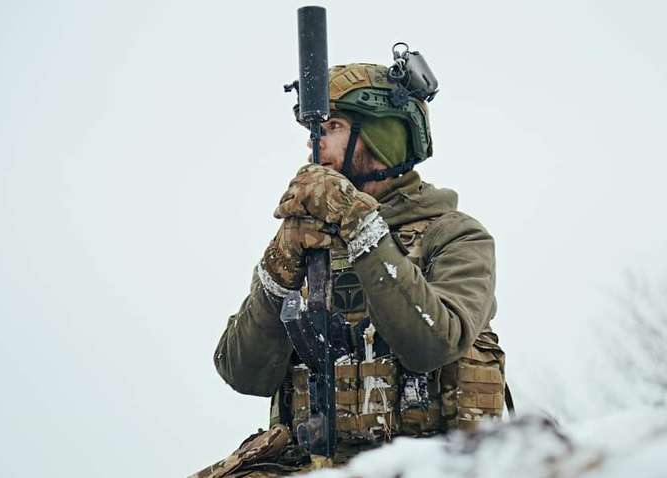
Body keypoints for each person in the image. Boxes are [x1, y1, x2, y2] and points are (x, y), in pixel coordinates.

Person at [193, 62, 507, 478]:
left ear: (383, 135)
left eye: (332, 126)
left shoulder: (454, 236)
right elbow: (242, 371)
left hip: (428, 468)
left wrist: (361, 227)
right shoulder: (309, 242)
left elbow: (435, 342)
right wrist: (280, 267)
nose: (313, 146)